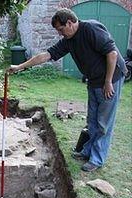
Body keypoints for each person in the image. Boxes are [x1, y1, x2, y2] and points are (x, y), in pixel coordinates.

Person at [8, 8, 127, 172]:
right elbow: (46, 55)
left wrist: (108, 81)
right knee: (92, 120)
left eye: (61, 29)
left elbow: (112, 54)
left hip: (110, 79)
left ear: (70, 23)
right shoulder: (68, 40)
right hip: (94, 81)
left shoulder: (91, 29)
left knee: (103, 123)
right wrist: (20, 67)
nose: (59, 33)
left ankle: (97, 159)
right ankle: (87, 151)